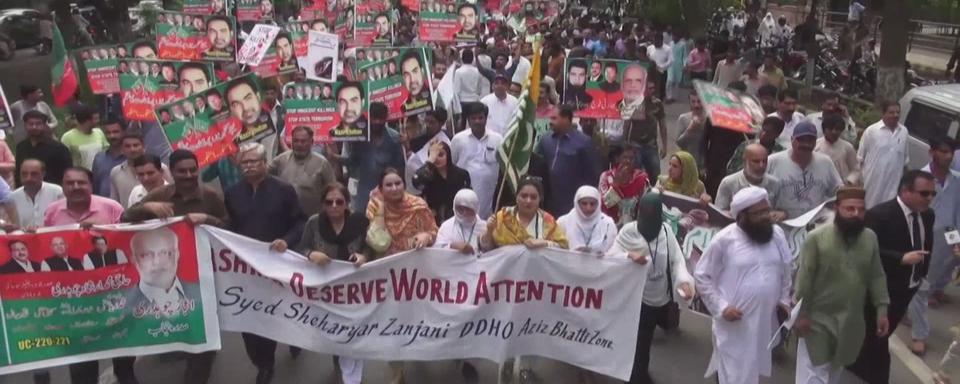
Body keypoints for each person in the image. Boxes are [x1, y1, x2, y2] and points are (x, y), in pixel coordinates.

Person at [123, 149, 228, 384]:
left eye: (193, 170)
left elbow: (227, 228)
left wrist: (207, 219)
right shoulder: (160, 195)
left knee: (204, 336)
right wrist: (147, 209)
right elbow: (125, 218)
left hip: (204, 277)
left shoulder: (210, 196)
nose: (189, 175)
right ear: (172, 172)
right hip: (166, 279)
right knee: (178, 329)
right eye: (182, 171)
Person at [694, 186, 793, 384]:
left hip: (766, 322)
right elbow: (702, 276)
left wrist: (784, 300)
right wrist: (722, 308)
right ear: (742, 216)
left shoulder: (777, 235)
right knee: (733, 372)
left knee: (750, 371)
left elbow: (786, 269)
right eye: (759, 213)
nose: (767, 216)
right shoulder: (724, 240)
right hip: (735, 323)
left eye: (767, 210)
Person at [225, 142, 306, 384]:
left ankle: (289, 344)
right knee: (249, 317)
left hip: (279, 264)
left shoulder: (284, 190)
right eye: (244, 162)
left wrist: (287, 240)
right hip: (246, 268)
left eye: (253, 161)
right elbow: (229, 226)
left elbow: (301, 222)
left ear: (264, 163)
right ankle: (262, 362)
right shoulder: (232, 193)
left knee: (280, 312)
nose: (248, 166)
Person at [794, 186, 890, 384]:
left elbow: (876, 276)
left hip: (851, 322)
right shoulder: (816, 238)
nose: (856, 214)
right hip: (816, 321)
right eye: (850, 209)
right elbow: (804, 280)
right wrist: (801, 314)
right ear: (837, 208)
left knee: (834, 373)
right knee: (814, 374)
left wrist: (882, 310)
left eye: (861, 210)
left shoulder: (870, 238)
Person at [41, 167, 126, 383]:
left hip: (113, 295)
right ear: (63, 186)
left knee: (124, 359)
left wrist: (103, 228)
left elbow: (127, 239)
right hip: (76, 302)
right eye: (70, 183)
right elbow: (45, 246)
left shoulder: (111, 208)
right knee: (81, 369)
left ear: (91, 185)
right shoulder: (53, 212)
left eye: (81, 183)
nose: (76, 187)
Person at [848, 170, 936, 383]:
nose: (929, 199)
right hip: (882, 291)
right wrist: (900, 258)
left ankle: (855, 363)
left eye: (933, 194)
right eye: (924, 193)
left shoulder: (927, 214)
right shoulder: (880, 215)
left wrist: (920, 276)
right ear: (906, 190)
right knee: (878, 340)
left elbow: (926, 245)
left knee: (878, 335)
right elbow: (865, 250)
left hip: (908, 288)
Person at [481, 177, 567, 384]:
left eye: (533, 197)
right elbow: (486, 249)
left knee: (532, 328)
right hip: (507, 285)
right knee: (507, 326)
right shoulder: (501, 217)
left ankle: (527, 367)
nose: (528, 201)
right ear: (516, 197)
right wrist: (488, 231)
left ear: (540, 199)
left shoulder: (547, 221)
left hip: (536, 286)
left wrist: (544, 242)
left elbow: (564, 248)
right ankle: (507, 364)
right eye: (524, 196)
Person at [609, 192, 694, 384]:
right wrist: (629, 255)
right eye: (643, 212)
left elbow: (677, 261)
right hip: (635, 296)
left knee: (645, 340)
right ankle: (635, 376)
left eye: (651, 212)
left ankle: (640, 371)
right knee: (638, 339)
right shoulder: (629, 231)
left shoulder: (666, 232)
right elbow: (612, 255)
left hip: (659, 296)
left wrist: (684, 283)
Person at [297, 182, 370, 384]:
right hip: (326, 291)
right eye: (329, 202)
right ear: (323, 205)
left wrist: (364, 256)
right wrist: (311, 254)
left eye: (339, 201)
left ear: (347, 204)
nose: (334, 206)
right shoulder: (313, 223)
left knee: (353, 330)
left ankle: (352, 374)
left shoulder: (360, 222)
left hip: (355, 288)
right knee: (334, 330)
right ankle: (338, 355)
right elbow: (301, 248)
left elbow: (371, 248)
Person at [327, 102, 404, 213]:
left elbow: (400, 167)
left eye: (380, 119)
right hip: (365, 192)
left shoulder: (394, 138)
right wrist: (334, 157)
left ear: (386, 118)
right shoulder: (361, 138)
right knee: (361, 223)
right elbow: (353, 161)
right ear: (369, 117)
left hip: (388, 192)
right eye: (374, 118)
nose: (377, 122)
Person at [766, 121, 842, 219]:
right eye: (801, 140)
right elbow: (758, 193)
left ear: (815, 142)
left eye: (810, 140)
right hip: (781, 226)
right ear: (792, 139)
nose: (805, 144)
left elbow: (838, 192)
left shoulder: (825, 162)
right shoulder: (773, 161)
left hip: (813, 227)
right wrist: (770, 212)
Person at [536, 105, 600, 216]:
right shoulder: (546, 140)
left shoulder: (583, 142)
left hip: (573, 200)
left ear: (566, 119)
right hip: (549, 199)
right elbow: (538, 165)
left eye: (554, 118)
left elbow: (592, 175)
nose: (550, 122)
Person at [451, 103, 503, 219]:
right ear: (468, 120)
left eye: (480, 118)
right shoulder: (458, 140)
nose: (477, 121)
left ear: (486, 118)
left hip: (489, 192)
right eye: (473, 118)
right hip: (465, 191)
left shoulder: (498, 139)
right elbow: (452, 164)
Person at [269, 126, 337, 215]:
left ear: (311, 142)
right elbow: (265, 178)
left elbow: (333, 189)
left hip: (312, 217)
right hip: (284, 216)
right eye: (296, 141)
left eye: (303, 141)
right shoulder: (280, 160)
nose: (299, 144)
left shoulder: (322, 163)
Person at [859, 101, 909, 209]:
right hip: (872, 185)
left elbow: (905, 161)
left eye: (898, 112)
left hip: (893, 186)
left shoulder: (904, 132)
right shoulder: (871, 131)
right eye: (891, 112)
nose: (895, 115)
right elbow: (859, 159)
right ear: (883, 114)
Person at [412, 141, 471, 223]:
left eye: (441, 155)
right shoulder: (427, 176)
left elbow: (468, 198)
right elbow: (417, 183)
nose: (437, 159)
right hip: (434, 219)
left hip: (457, 217)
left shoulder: (461, 174)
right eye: (434, 156)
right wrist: (430, 162)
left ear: (448, 155)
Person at [109, 133, 171, 208]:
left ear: (143, 147)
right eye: (128, 146)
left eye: (136, 145)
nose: (132, 149)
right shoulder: (116, 172)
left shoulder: (161, 167)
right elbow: (115, 201)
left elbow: (170, 187)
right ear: (122, 149)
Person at [715, 144, 781, 214]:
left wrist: (781, 214)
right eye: (756, 161)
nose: (761, 166)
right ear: (744, 161)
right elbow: (719, 213)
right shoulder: (728, 182)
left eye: (764, 161)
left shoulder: (775, 183)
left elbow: (781, 209)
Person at [623, 81, 667, 182]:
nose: (651, 91)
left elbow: (663, 126)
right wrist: (624, 143)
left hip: (651, 145)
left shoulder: (658, 104)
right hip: (635, 145)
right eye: (649, 88)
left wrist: (664, 146)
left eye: (652, 88)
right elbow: (627, 124)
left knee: (655, 174)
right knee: (636, 175)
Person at [15, 111, 72, 186]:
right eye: (31, 124)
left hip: (52, 192)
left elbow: (67, 174)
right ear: (25, 125)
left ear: (45, 126)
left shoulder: (59, 149)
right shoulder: (21, 147)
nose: (34, 127)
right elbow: (18, 173)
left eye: (38, 124)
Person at [557, 186, 617, 254]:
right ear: (577, 203)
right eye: (584, 203)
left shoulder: (608, 224)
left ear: (598, 204)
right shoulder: (563, 222)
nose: (588, 208)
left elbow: (615, 251)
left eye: (592, 204)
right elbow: (555, 250)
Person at [9, 159, 63, 229]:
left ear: (43, 174)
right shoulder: (13, 197)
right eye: (24, 174)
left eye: (34, 174)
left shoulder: (56, 192)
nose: (29, 178)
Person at [434, 188, 487, 254]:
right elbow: (436, 251)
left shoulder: (484, 227)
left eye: (468, 209)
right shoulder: (446, 227)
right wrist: (452, 246)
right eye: (460, 209)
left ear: (475, 208)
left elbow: (492, 253)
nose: (464, 212)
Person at [815, 114, 860, 186]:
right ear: (824, 129)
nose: (834, 132)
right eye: (830, 128)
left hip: (841, 188)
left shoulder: (847, 147)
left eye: (837, 129)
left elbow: (855, 170)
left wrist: (849, 182)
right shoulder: (816, 145)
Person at [61, 105, 108, 171]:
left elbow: (106, 152)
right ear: (87, 120)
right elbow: (63, 160)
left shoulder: (99, 132)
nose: (98, 121)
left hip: (99, 172)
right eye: (95, 119)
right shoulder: (67, 137)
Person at [92, 119, 128, 197]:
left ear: (124, 132)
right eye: (108, 133)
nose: (112, 136)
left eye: (115, 132)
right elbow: (95, 187)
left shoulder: (131, 157)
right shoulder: (99, 158)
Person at [676, 92, 707, 167]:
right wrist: (690, 129)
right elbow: (679, 142)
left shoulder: (708, 120)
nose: (696, 105)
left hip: (702, 164)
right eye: (693, 102)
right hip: (686, 162)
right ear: (689, 102)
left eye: (699, 101)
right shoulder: (683, 118)